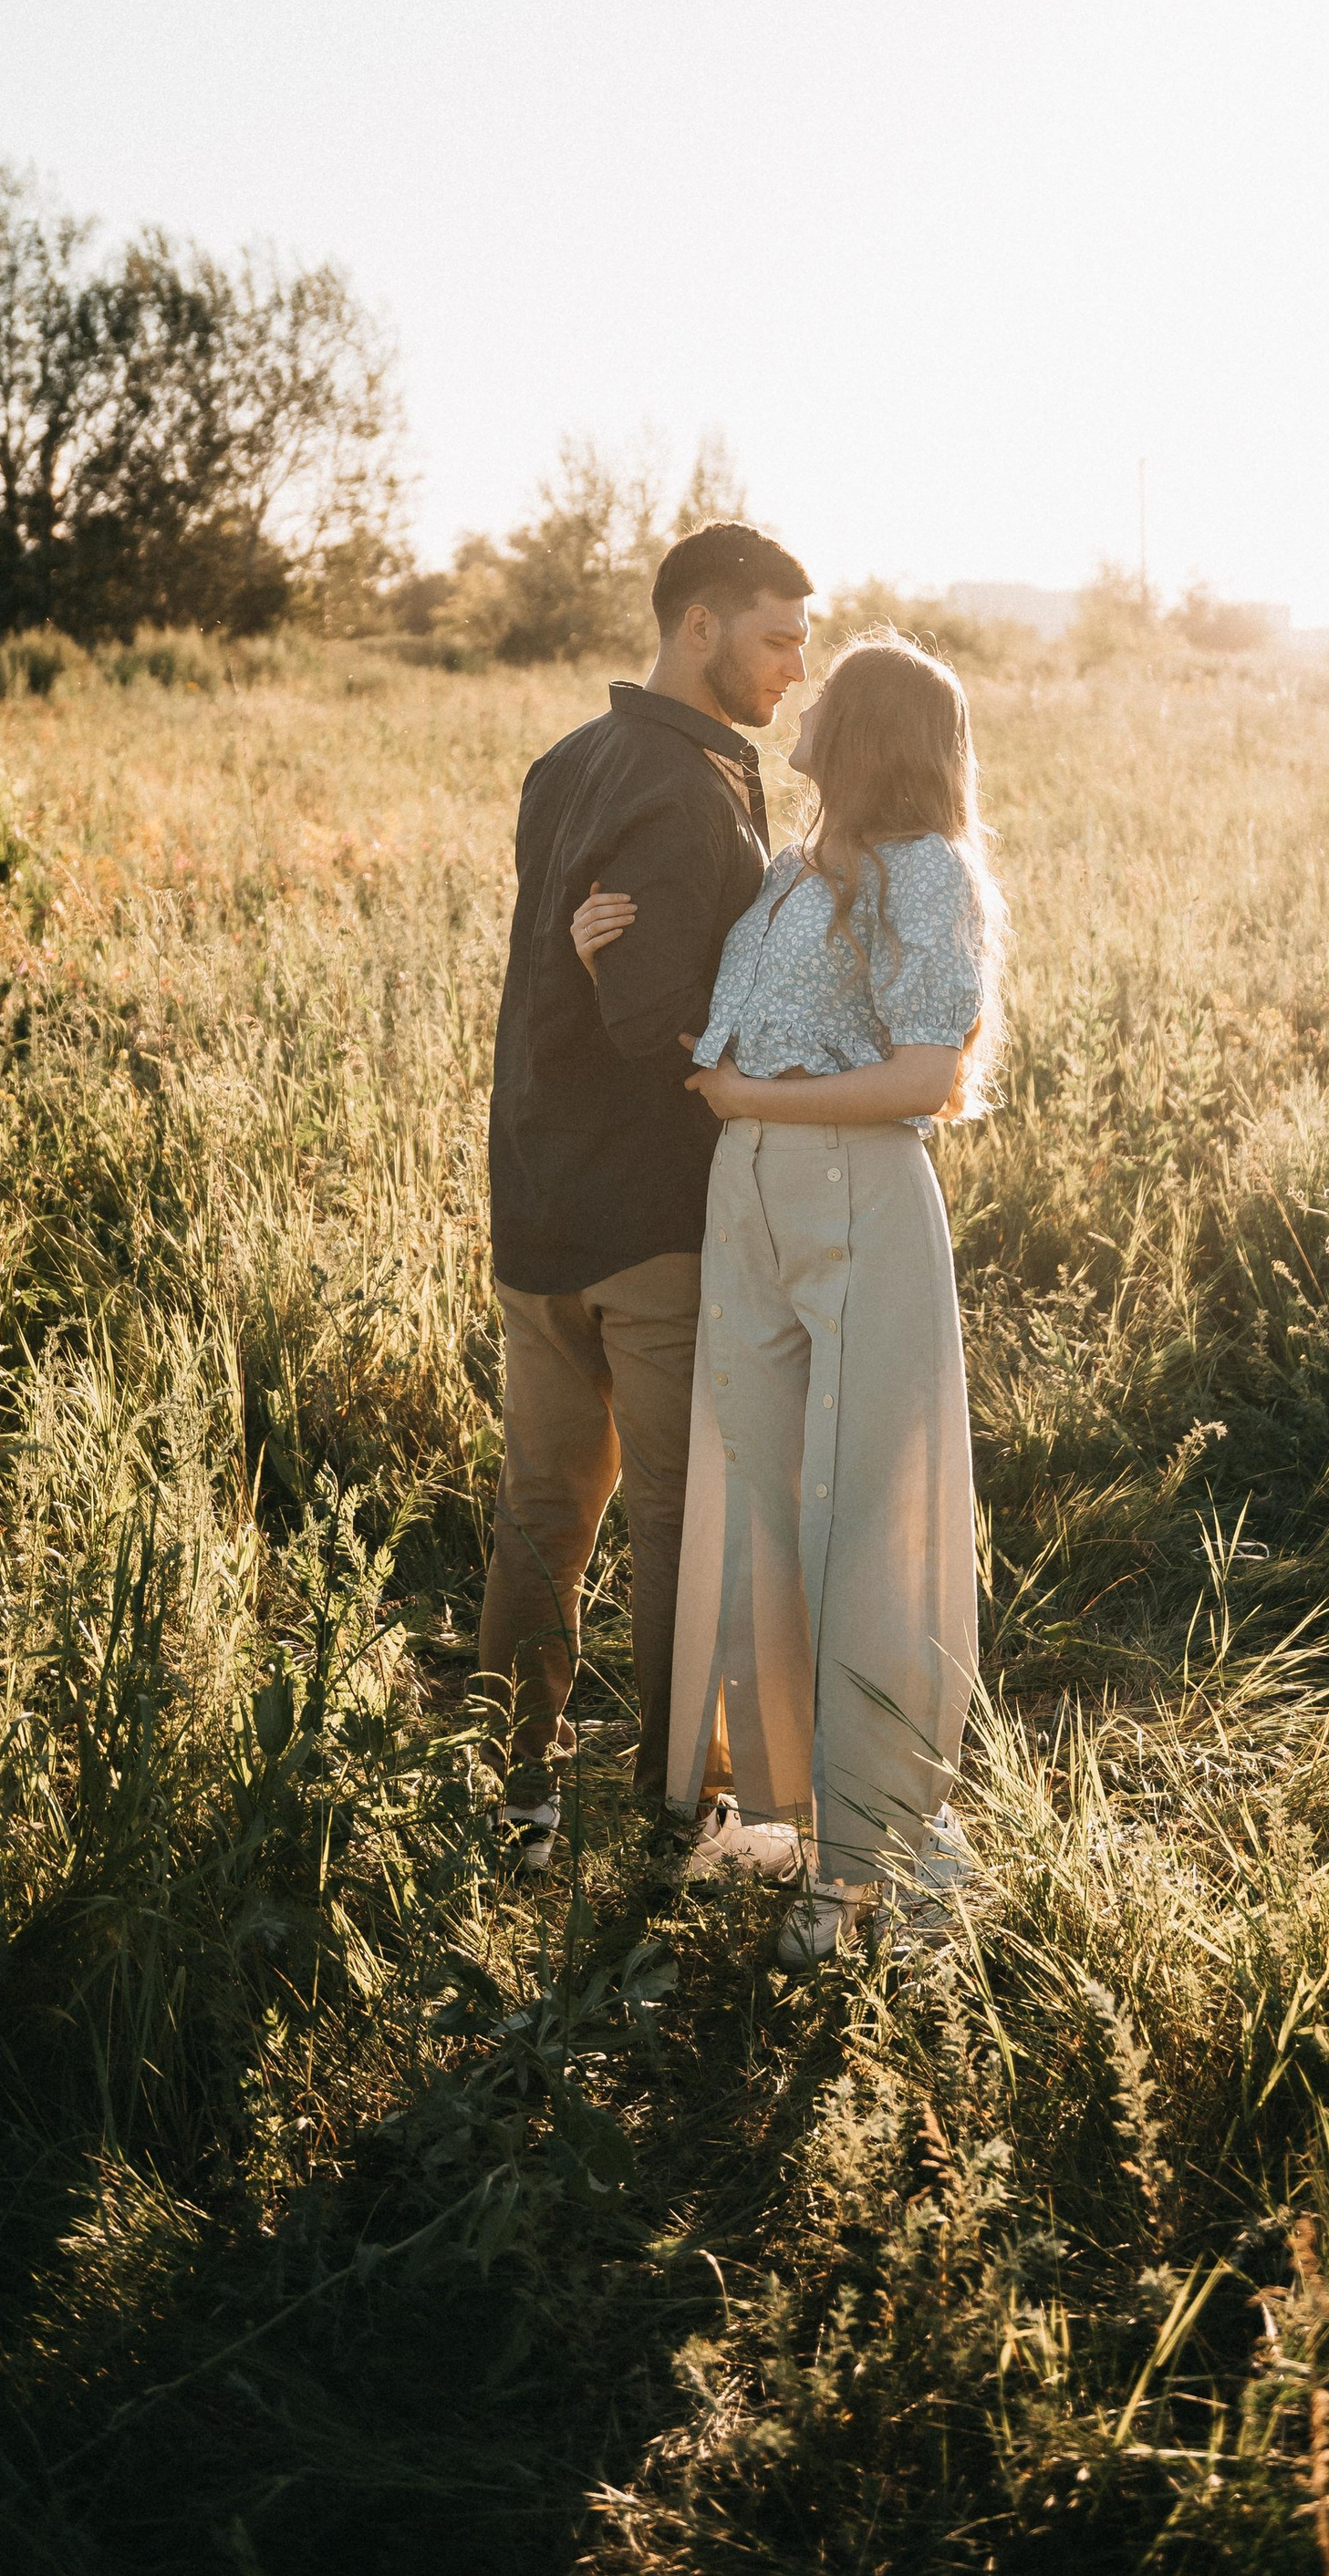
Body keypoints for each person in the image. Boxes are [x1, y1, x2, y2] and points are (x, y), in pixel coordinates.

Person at [570, 632, 1002, 1962]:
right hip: (747, 1194)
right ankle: (789, 1812)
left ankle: (869, 1863)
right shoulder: (783, 869)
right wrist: (606, 962)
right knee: (755, 1491)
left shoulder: (924, 877)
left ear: (874, 730)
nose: (802, 702)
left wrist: (754, 1099)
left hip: (857, 1192)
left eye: (833, 692)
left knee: (860, 1511)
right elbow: (725, 1031)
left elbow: (927, 1077)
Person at [479, 520, 814, 1862]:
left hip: (537, 1195)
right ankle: (681, 1802)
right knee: (683, 1514)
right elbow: (654, 1016)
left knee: (541, 1512)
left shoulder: (568, 763)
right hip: (648, 1219)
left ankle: (517, 1793)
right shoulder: (685, 790)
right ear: (698, 628)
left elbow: (580, 972)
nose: (797, 666)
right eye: (778, 637)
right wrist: (796, 1069)